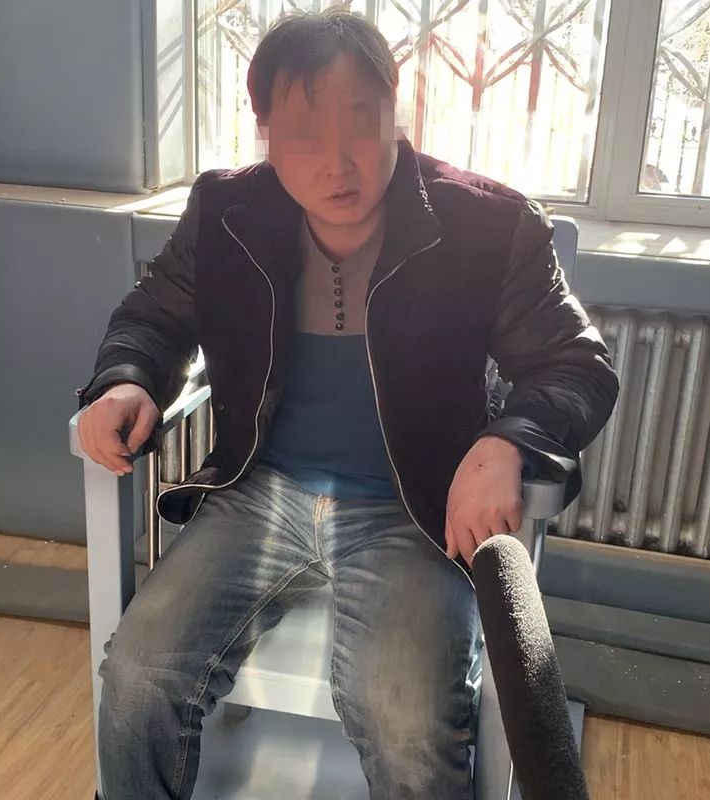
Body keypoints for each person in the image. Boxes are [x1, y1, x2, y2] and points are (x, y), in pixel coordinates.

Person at [77, 8, 618, 799]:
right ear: (264, 132)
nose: (338, 163)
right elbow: (153, 318)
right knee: (137, 676)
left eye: (362, 122)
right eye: (303, 134)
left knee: (404, 716)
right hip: (257, 492)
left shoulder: (488, 224)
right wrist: (126, 377)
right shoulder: (226, 212)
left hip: (414, 506)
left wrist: (510, 440)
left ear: (398, 108)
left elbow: (574, 365)